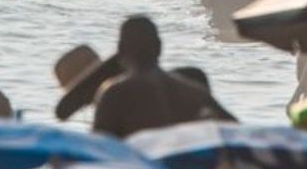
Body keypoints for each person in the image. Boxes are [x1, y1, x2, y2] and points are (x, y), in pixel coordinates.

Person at [86, 16, 235, 135]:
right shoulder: (196, 93)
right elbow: (237, 131)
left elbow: (99, 153)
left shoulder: (114, 94)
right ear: (159, 47)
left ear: (121, 50)